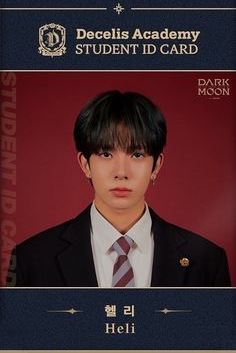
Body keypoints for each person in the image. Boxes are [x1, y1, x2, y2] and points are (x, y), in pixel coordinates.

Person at [6, 91, 231, 287]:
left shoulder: (207, 261)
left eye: (137, 154)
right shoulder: (30, 260)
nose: (121, 172)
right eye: (106, 154)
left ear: (156, 165)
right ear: (85, 164)